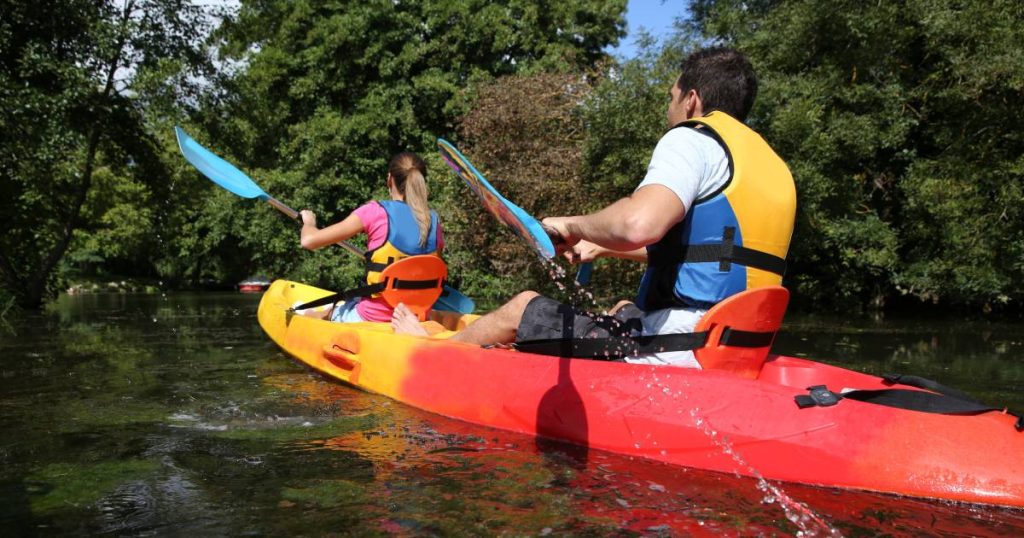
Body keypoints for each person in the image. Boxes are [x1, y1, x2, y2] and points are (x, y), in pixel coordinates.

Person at [393, 47, 796, 368]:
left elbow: (638, 223)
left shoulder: (691, 138)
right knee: (622, 307)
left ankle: (430, 352)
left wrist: (574, 225)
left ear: (692, 100)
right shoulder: (771, 165)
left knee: (522, 306)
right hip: (738, 349)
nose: (669, 111)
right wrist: (604, 247)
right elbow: (713, 256)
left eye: (671, 99)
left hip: (683, 346)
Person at [298, 151, 444, 322]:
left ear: (389, 179)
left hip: (372, 317)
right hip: (417, 318)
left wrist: (309, 222)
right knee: (349, 301)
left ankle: (310, 315)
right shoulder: (434, 221)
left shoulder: (375, 212)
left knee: (330, 311)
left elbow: (309, 241)